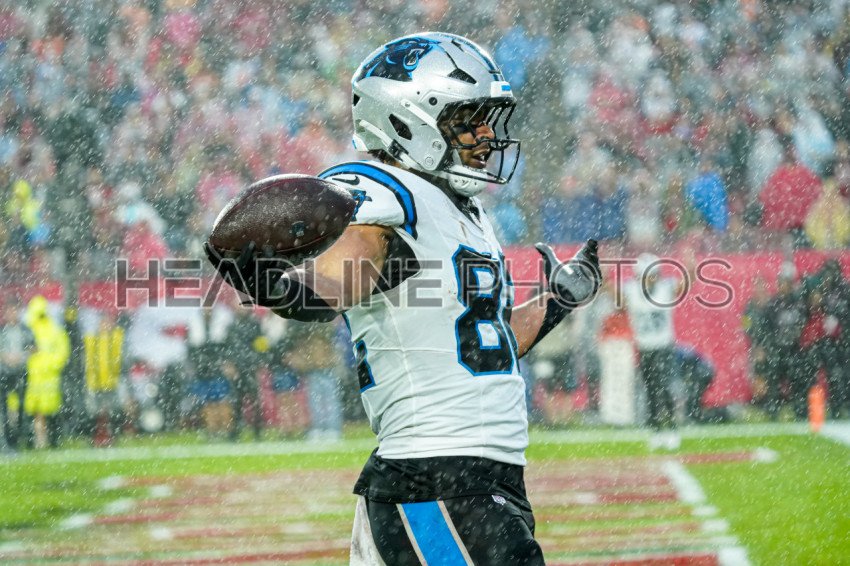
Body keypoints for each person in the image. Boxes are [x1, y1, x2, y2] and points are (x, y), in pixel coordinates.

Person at [205, 33, 601, 564]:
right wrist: (270, 285)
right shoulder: (386, 193)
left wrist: (559, 300)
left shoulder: (463, 211)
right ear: (407, 121)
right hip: (437, 479)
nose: (486, 134)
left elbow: (489, 341)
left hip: (472, 480)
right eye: (468, 119)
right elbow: (331, 288)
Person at [623, 253, 690, 450]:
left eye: (653, 274)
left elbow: (684, 285)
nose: (652, 279)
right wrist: (604, 277)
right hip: (644, 348)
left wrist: (691, 269)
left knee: (666, 387)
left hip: (664, 346)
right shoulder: (631, 291)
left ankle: (671, 428)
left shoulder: (665, 288)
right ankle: (656, 430)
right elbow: (612, 292)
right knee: (651, 390)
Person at [23, 296, 70, 449]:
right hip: (34, 377)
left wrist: (49, 365)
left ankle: (51, 440)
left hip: (47, 377)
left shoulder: (53, 330)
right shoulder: (30, 329)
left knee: (49, 410)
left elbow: (62, 353)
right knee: (34, 411)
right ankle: (35, 441)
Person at [0, 298, 34, 451]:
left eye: (14, 311)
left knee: (21, 407)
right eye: (9, 311)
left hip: (21, 372)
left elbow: (34, 347)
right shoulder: (2, 330)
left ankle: (19, 438)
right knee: (4, 408)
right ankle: (8, 440)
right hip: (4, 373)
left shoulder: (25, 330)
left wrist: (21, 356)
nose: (12, 314)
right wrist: (5, 357)